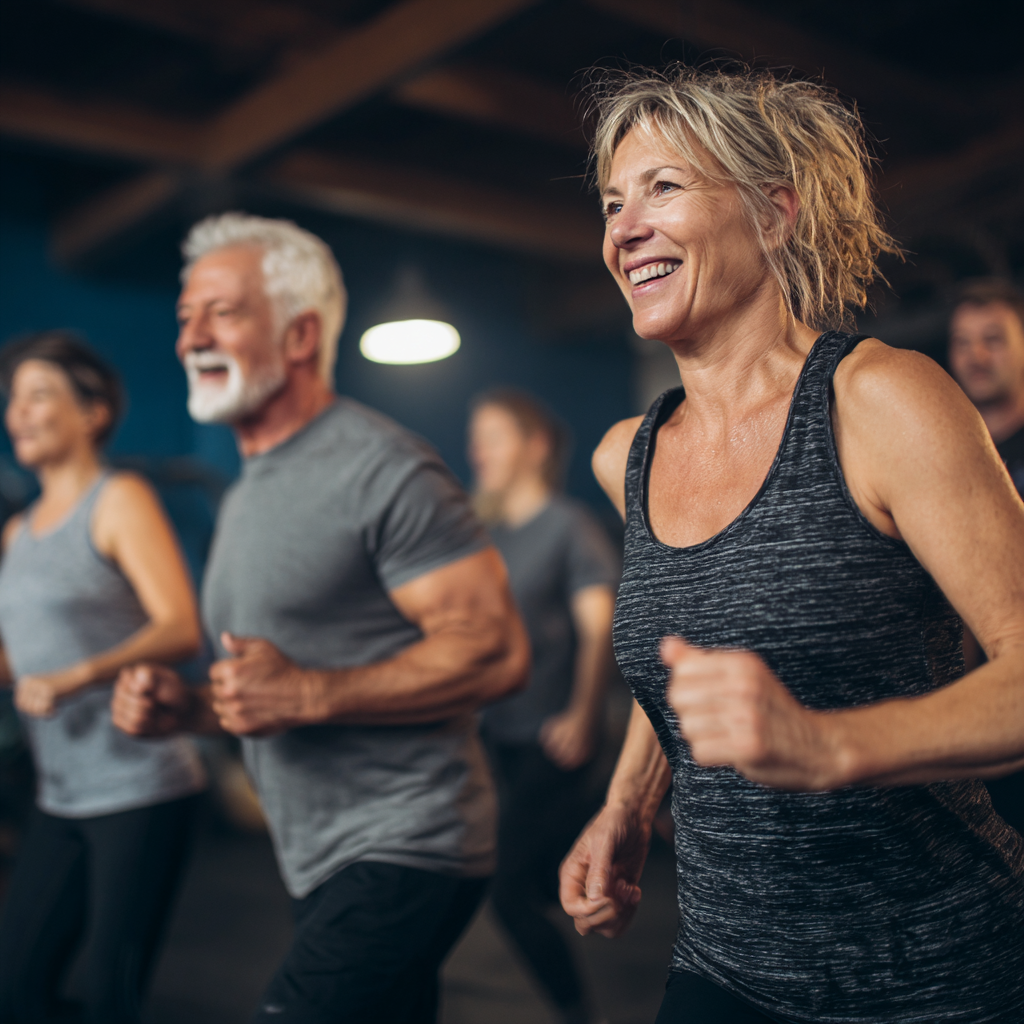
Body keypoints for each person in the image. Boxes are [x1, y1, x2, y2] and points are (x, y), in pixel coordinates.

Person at [558, 67, 1024, 1023]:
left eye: (665, 187)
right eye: (612, 202)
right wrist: (627, 805)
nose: (624, 228)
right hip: (725, 966)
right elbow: (690, 662)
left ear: (774, 214)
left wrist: (828, 744)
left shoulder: (882, 403)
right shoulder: (627, 459)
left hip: (938, 973)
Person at [111, 213, 530, 1024]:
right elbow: (275, 689)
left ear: (300, 335)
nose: (191, 337)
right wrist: (192, 710)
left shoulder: (383, 467)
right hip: (316, 856)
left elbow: (496, 653)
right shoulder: (245, 491)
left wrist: (305, 695)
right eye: (184, 316)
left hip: (411, 842)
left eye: (222, 312)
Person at [0, 332, 207, 1024]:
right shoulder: (18, 533)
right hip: (59, 793)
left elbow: (181, 625)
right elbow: (18, 655)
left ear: (92, 413)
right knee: (16, 987)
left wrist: (76, 675)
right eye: (13, 399)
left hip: (141, 789)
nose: (18, 412)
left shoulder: (119, 500)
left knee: (111, 997)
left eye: (38, 395)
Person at [467, 389, 617, 1024]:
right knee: (519, 879)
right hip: (499, 734)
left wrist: (583, 713)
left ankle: (579, 1015)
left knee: (506, 892)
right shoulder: (491, 534)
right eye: (476, 437)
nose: (479, 450)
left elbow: (598, 625)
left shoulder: (567, 526)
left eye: (494, 436)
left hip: (555, 738)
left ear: (536, 447)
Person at [948, 277, 1024, 834]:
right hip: (971, 714)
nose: (975, 355)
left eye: (993, 339)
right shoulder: (941, 462)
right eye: (963, 342)